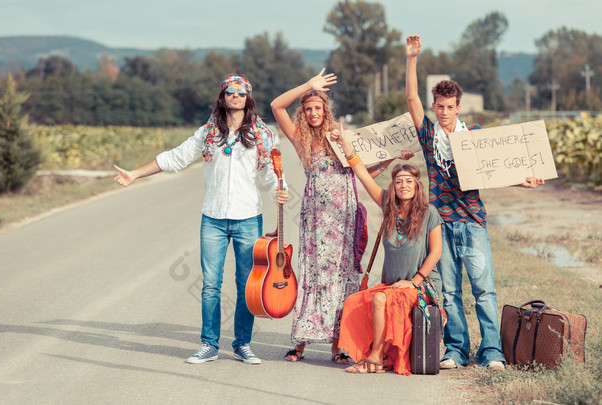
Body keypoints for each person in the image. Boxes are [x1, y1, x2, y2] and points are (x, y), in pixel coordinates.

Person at [113, 73, 289, 365]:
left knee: (248, 284)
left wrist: (280, 192)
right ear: (222, 96)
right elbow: (175, 158)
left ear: (248, 98)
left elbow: (274, 173)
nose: (235, 96)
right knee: (211, 284)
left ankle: (242, 344)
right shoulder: (208, 132)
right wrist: (135, 174)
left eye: (241, 93)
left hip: (248, 218)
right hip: (214, 219)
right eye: (230, 92)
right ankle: (209, 344)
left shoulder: (263, 134)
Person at [405, 35, 544, 371]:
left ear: (458, 107)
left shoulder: (474, 136)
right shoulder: (428, 136)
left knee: (484, 290)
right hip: (441, 223)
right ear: (435, 106)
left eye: (449, 107)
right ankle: (455, 350)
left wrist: (521, 180)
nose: (442, 112)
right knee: (451, 292)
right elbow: (411, 97)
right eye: (438, 106)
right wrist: (412, 58)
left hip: (472, 222)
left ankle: (492, 351)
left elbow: (491, 172)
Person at [270, 69, 392, 364]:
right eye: (308, 108)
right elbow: (276, 106)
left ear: (326, 110)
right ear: (304, 112)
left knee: (341, 277)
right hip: (315, 219)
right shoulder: (301, 140)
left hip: (345, 218)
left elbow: (363, 172)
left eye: (317, 108)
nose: (313, 112)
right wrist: (308, 85)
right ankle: (300, 343)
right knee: (314, 275)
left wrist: (392, 158)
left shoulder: (341, 138)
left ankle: (338, 346)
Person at [331, 124, 443, 375]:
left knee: (380, 298)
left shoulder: (429, 213)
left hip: (420, 287)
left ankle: (376, 358)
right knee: (355, 301)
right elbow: (362, 173)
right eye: (399, 181)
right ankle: (364, 353)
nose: (404, 185)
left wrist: (414, 282)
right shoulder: (387, 206)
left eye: (409, 181)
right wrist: (344, 144)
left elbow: (436, 252)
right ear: (393, 187)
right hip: (391, 285)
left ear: (417, 186)